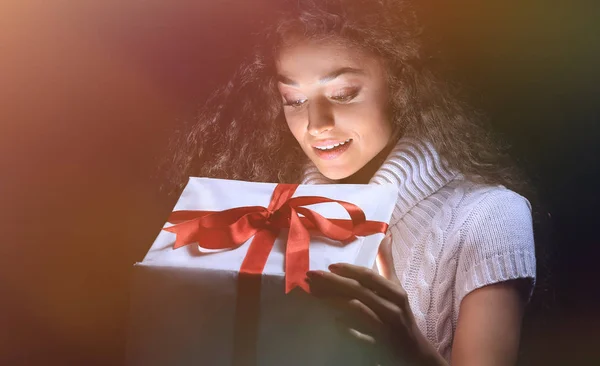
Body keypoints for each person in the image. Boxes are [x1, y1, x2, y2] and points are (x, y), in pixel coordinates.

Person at [165, 0, 537, 364]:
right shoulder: (261, 214)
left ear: (400, 85)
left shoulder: (490, 215)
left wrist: (407, 343)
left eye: (342, 94)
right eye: (293, 99)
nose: (316, 123)